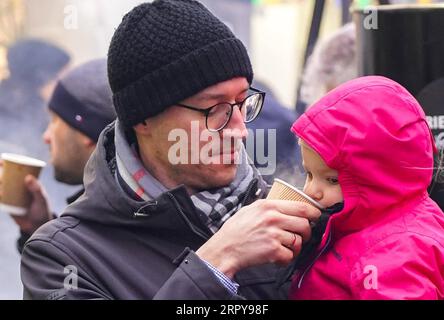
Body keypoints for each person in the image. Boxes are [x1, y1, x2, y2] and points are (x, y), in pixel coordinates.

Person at [21, 0, 320, 300]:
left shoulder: (283, 218)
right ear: (143, 119)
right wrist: (216, 263)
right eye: (214, 109)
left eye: (242, 103)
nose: (240, 130)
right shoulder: (62, 256)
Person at [287, 76, 444, 299]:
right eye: (309, 174)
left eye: (332, 180)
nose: (312, 190)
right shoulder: (347, 224)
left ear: (380, 178)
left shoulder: (396, 254)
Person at [2, 58, 116, 253]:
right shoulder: (110, 207)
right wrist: (39, 227)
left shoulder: (109, 221)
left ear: (86, 134)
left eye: (54, 121)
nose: (46, 136)